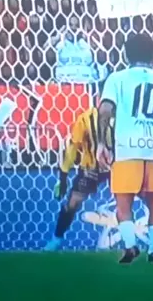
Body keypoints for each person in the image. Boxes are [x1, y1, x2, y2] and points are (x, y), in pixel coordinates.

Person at [96, 33, 153, 264]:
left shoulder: (116, 79)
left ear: (126, 55)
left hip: (127, 149)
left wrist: (101, 143)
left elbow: (105, 110)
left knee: (123, 203)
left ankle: (130, 247)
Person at [43, 105, 111, 251]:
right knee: (73, 202)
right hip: (91, 167)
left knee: (132, 198)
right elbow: (73, 148)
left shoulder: (124, 117)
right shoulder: (85, 119)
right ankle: (56, 239)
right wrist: (63, 177)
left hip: (118, 167)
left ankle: (152, 236)